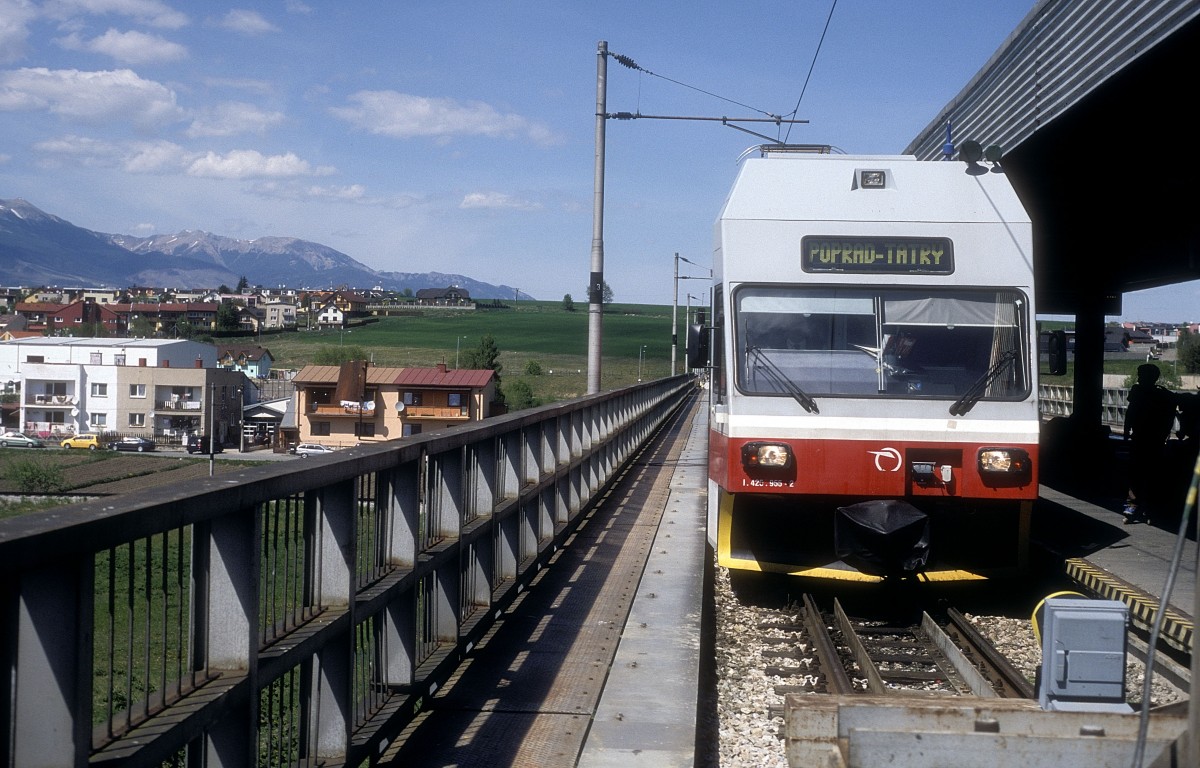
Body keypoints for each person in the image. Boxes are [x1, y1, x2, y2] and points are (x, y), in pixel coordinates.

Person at [1122, 363, 1178, 524]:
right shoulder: (1163, 395)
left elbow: (1130, 412)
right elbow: (1169, 416)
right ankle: (1149, 508)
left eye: (1141, 375)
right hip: (1155, 440)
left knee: (1136, 473)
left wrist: (1127, 432)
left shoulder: (1138, 392)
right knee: (1151, 474)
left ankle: (1133, 506)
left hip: (1141, 438)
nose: (1139, 378)